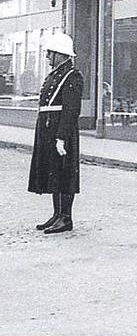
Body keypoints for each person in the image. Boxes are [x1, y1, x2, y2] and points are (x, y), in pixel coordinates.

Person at [27, 32, 83, 235]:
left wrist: (61, 137)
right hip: (48, 129)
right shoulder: (55, 74)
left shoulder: (72, 76)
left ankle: (66, 217)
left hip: (61, 131)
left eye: (50, 53)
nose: (48, 58)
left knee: (65, 172)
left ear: (60, 54)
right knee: (53, 171)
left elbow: (71, 110)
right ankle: (57, 214)